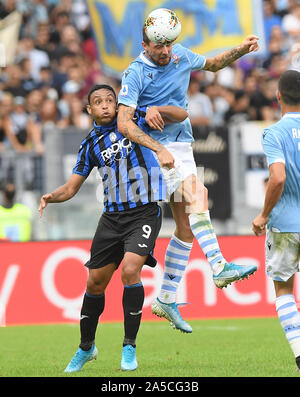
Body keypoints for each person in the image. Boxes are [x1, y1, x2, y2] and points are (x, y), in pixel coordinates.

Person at [117, 9, 259, 333]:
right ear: (145, 43)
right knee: (200, 193)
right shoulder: (135, 73)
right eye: (158, 45)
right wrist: (157, 146)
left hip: (181, 145)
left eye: (169, 44)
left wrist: (241, 48)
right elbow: (123, 122)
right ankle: (220, 265)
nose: (165, 50)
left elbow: (212, 64)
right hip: (154, 151)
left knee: (185, 226)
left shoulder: (180, 55)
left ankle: (166, 298)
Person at [39, 84, 188, 372]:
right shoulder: (89, 145)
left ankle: (129, 347)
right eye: (99, 102)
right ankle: (86, 348)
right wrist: (51, 197)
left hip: (144, 213)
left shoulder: (135, 119)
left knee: (130, 270)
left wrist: (160, 110)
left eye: (110, 100)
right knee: (94, 283)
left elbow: (181, 114)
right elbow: (71, 188)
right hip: (111, 219)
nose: (106, 105)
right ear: (89, 110)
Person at [252, 70, 300, 370]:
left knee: (284, 290)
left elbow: (278, 176)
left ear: (278, 96)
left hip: (285, 224)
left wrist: (263, 214)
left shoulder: (274, 132)